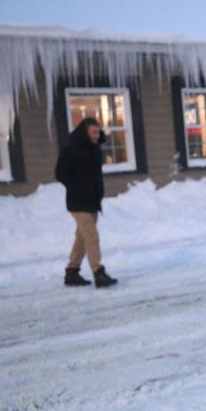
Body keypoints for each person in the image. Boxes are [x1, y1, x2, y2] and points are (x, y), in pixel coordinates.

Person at [55, 117, 118, 288]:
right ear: (85, 132)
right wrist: (77, 186)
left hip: (92, 201)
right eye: (93, 132)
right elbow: (60, 173)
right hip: (78, 201)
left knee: (82, 238)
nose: (97, 136)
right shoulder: (71, 149)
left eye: (98, 132)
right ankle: (99, 272)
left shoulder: (95, 150)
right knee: (92, 236)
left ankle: (72, 272)